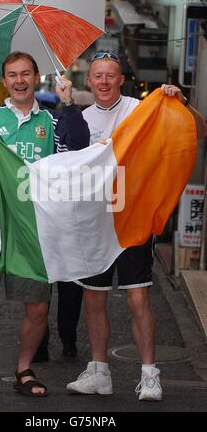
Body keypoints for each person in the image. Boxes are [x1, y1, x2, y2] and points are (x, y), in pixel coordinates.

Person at [66, 51, 207, 400]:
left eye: (110, 75)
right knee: (93, 299)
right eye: (97, 75)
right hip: (95, 218)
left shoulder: (141, 110)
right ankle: (99, 372)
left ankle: (149, 375)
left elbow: (198, 130)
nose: (103, 82)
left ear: (121, 79)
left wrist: (182, 103)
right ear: (89, 80)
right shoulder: (80, 119)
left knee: (138, 297)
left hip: (135, 215)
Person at [0, 51, 90, 396]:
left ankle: (24, 369)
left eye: (25, 74)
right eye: (12, 74)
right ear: (5, 81)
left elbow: (78, 147)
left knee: (37, 304)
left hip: (35, 227)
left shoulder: (52, 121)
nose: (19, 80)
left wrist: (70, 103)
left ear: (35, 77)